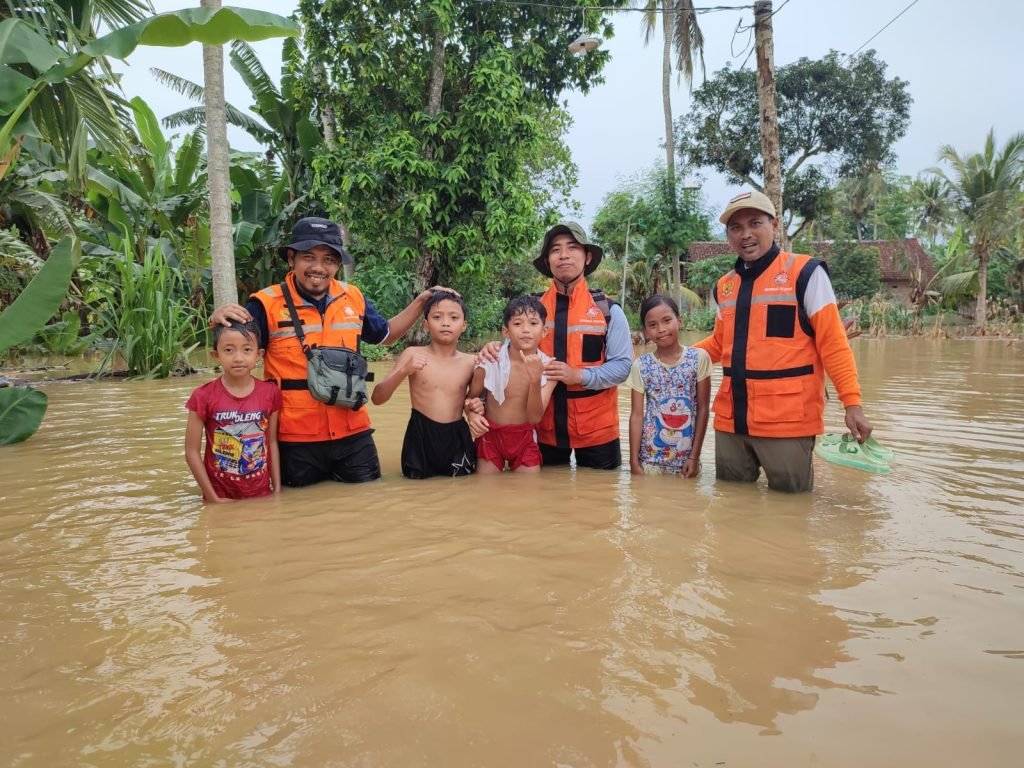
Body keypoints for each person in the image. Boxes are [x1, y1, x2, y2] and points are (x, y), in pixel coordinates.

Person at [208, 216, 451, 486]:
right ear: (291, 259)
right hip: (294, 439)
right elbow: (233, 354)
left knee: (368, 504)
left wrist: (421, 302)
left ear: (337, 264)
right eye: (308, 257)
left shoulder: (354, 297)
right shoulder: (265, 304)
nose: (318, 268)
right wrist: (217, 317)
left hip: (353, 433)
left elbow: (385, 335)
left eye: (329, 260)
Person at [694, 189, 874, 492]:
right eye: (736, 228)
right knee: (730, 509)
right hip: (730, 423)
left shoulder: (806, 273)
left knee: (791, 512)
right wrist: (671, 357)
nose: (746, 234)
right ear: (728, 235)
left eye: (755, 223)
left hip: (787, 421)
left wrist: (852, 404)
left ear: (774, 225)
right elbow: (718, 344)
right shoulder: (725, 286)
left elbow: (833, 343)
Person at [480, 222, 632, 469]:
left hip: (597, 429)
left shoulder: (608, 311)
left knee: (600, 502)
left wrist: (578, 375)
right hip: (541, 430)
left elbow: (623, 367)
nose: (563, 255)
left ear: (587, 256)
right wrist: (492, 347)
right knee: (544, 503)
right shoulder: (529, 309)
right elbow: (509, 353)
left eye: (572, 247)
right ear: (548, 260)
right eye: (555, 250)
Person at [370, 291, 478, 479]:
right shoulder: (412, 354)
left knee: (463, 486)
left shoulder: (472, 362)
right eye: (437, 317)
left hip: (457, 436)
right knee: (416, 489)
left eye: (453, 317)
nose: (445, 323)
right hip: (420, 436)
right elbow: (377, 398)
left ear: (464, 326)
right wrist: (405, 371)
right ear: (426, 325)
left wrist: (475, 410)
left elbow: (475, 401)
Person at [185, 320, 282, 502]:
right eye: (229, 350)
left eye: (246, 350)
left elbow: (272, 443)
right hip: (221, 496)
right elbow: (191, 452)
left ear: (259, 354)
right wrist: (213, 498)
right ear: (216, 355)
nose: (238, 358)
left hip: (261, 495)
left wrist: (276, 490)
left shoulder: (271, 393)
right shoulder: (203, 396)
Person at [469, 296, 558, 473]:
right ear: (506, 331)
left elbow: (534, 418)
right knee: (483, 491)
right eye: (517, 324)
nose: (526, 330)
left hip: (525, 438)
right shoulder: (489, 361)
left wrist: (534, 380)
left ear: (544, 331)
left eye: (533, 323)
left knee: (528, 496)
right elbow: (471, 398)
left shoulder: (549, 368)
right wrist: (471, 415)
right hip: (490, 435)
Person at [627, 295, 711, 477]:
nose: (661, 329)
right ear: (646, 332)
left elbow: (704, 408)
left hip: (686, 462)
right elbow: (636, 415)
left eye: (667, 321)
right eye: (653, 325)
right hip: (649, 461)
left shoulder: (698, 358)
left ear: (679, 321)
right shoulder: (641, 365)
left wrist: (694, 458)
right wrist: (634, 461)